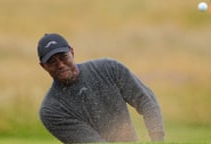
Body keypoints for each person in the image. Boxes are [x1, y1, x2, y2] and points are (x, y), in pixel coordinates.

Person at [37, 33, 165, 143]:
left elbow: (146, 101)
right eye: (52, 62)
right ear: (43, 66)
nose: (60, 65)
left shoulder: (109, 69)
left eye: (63, 57)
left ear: (72, 52)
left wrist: (157, 139)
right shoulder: (51, 110)